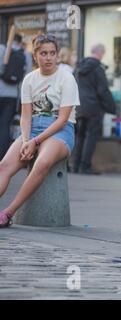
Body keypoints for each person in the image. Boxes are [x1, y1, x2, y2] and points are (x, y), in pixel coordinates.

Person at [0, 34, 80, 228]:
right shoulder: (29, 79)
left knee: (42, 163)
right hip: (33, 128)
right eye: (43, 53)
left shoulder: (66, 78)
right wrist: (26, 139)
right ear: (35, 56)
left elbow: (62, 120)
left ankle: (7, 213)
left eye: (52, 53)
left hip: (60, 130)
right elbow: (26, 116)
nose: (48, 57)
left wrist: (35, 142)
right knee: (3, 166)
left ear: (57, 55)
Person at [72, 43, 115, 175]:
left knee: (80, 136)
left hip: (79, 106)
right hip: (93, 107)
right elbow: (103, 90)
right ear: (100, 53)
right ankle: (85, 166)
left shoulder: (78, 67)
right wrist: (112, 107)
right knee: (91, 136)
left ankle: (75, 165)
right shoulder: (97, 68)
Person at [0, 33, 32, 160]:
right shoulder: (25, 54)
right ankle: (2, 155)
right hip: (13, 96)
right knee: (5, 125)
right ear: (20, 41)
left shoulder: (2, 49)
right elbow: (28, 76)